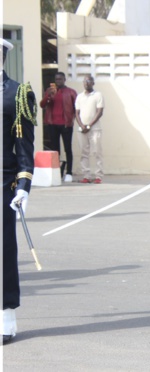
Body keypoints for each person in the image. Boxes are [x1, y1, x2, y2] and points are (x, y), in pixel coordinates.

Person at [2, 38, 37, 344]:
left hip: (3, 181)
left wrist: (24, 185)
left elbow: (25, 147)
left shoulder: (18, 94)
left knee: (3, 251)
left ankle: (6, 317)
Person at [40, 71, 77, 182]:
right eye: (56, 79)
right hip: (52, 124)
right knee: (55, 150)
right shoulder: (49, 91)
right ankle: (57, 172)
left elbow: (76, 108)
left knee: (67, 148)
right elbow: (42, 105)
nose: (58, 81)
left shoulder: (71, 92)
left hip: (66, 124)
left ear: (64, 80)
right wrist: (48, 95)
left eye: (60, 79)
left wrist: (73, 120)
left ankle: (69, 172)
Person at [74, 75, 104, 184]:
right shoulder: (79, 97)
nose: (86, 83)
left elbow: (99, 112)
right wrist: (82, 126)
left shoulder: (98, 95)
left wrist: (89, 125)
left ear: (93, 83)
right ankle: (86, 175)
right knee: (84, 152)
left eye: (88, 81)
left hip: (95, 129)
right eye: (84, 81)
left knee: (96, 152)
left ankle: (98, 176)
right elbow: (76, 113)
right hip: (82, 129)